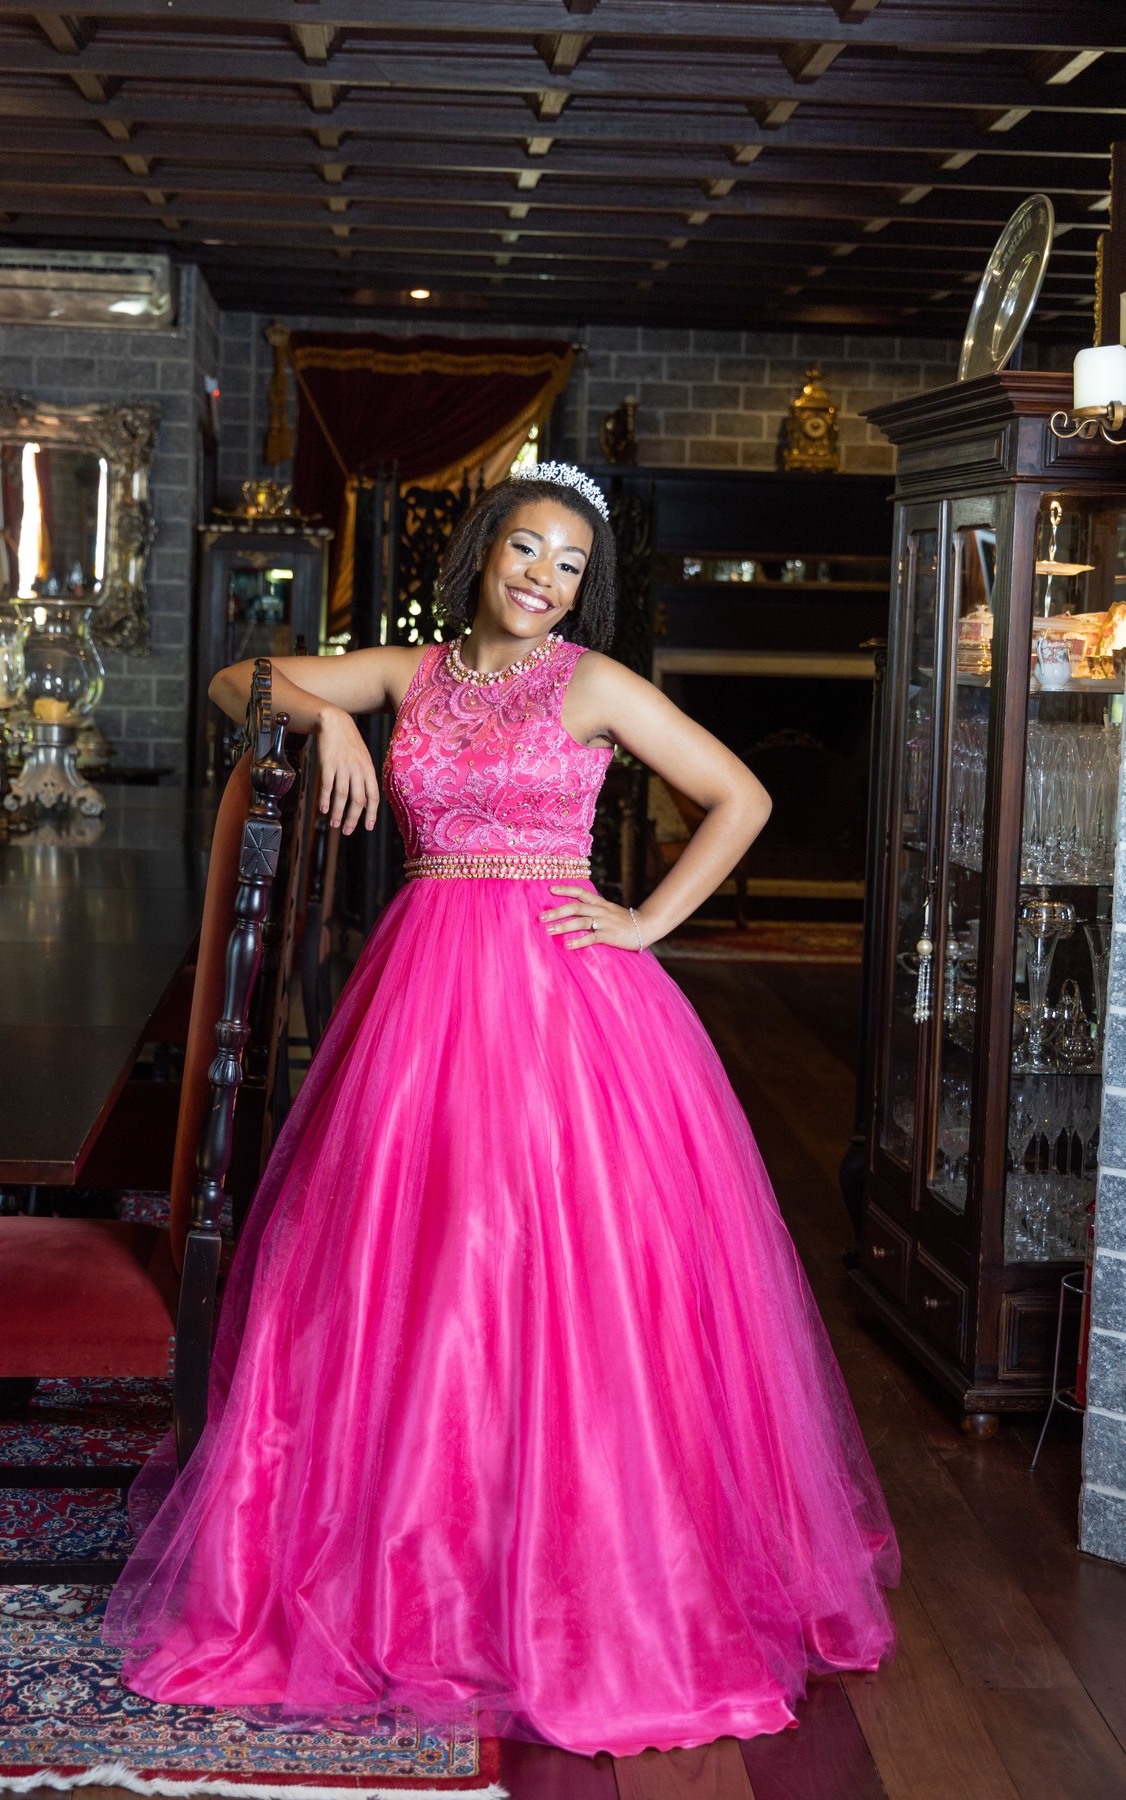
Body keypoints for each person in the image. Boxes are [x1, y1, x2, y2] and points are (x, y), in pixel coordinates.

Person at [103, 462, 898, 1759]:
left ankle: (573, 1576)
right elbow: (236, 680)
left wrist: (645, 920)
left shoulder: (593, 684)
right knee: (416, 1267)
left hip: (564, 1001)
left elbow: (741, 797)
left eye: (570, 564)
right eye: (527, 549)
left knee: (559, 1272)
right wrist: (328, 719)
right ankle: (424, 1553)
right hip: (421, 997)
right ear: (483, 551)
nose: (543, 578)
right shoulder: (408, 674)